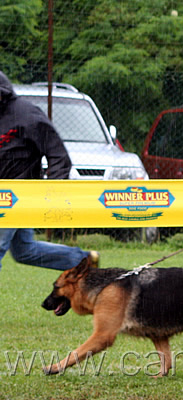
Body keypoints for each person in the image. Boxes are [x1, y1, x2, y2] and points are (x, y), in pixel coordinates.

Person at [0, 71, 98, 273]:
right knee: (25, 250)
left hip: (18, 196)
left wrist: (54, 191)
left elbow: (58, 155)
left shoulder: (27, 115)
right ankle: (83, 260)